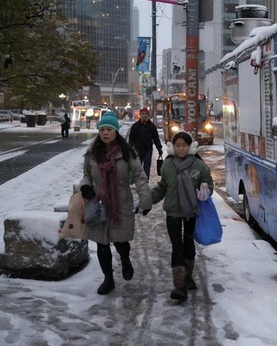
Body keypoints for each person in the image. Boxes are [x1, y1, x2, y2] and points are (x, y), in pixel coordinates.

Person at [79, 112, 153, 295]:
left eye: (109, 130)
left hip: (121, 203)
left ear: (116, 132)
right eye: (102, 129)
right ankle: (108, 279)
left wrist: (145, 199)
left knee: (120, 241)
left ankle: (125, 260)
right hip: (98, 204)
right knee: (101, 244)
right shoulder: (92, 154)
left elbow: (140, 176)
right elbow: (86, 175)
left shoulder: (127, 153)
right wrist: (86, 187)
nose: (105, 133)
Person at [150, 131, 213, 301]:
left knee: (188, 245)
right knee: (177, 247)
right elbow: (161, 188)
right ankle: (179, 285)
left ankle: (188, 276)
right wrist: (147, 201)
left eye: (184, 145)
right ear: (172, 147)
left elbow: (208, 183)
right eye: (177, 145)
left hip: (191, 213)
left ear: (190, 146)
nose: (181, 148)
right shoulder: (168, 165)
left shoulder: (199, 166)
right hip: (172, 213)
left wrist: (205, 193)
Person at [128, 107, 163, 178]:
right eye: (143, 114)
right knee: (138, 167)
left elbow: (156, 138)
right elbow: (131, 139)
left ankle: (145, 182)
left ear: (148, 115)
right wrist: (130, 149)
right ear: (140, 115)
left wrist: (159, 148)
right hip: (138, 149)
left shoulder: (152, 126)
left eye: (146, 114)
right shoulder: (135, 126)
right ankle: (139, 181)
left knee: (147, 167)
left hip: (148, 150)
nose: (144, 115)